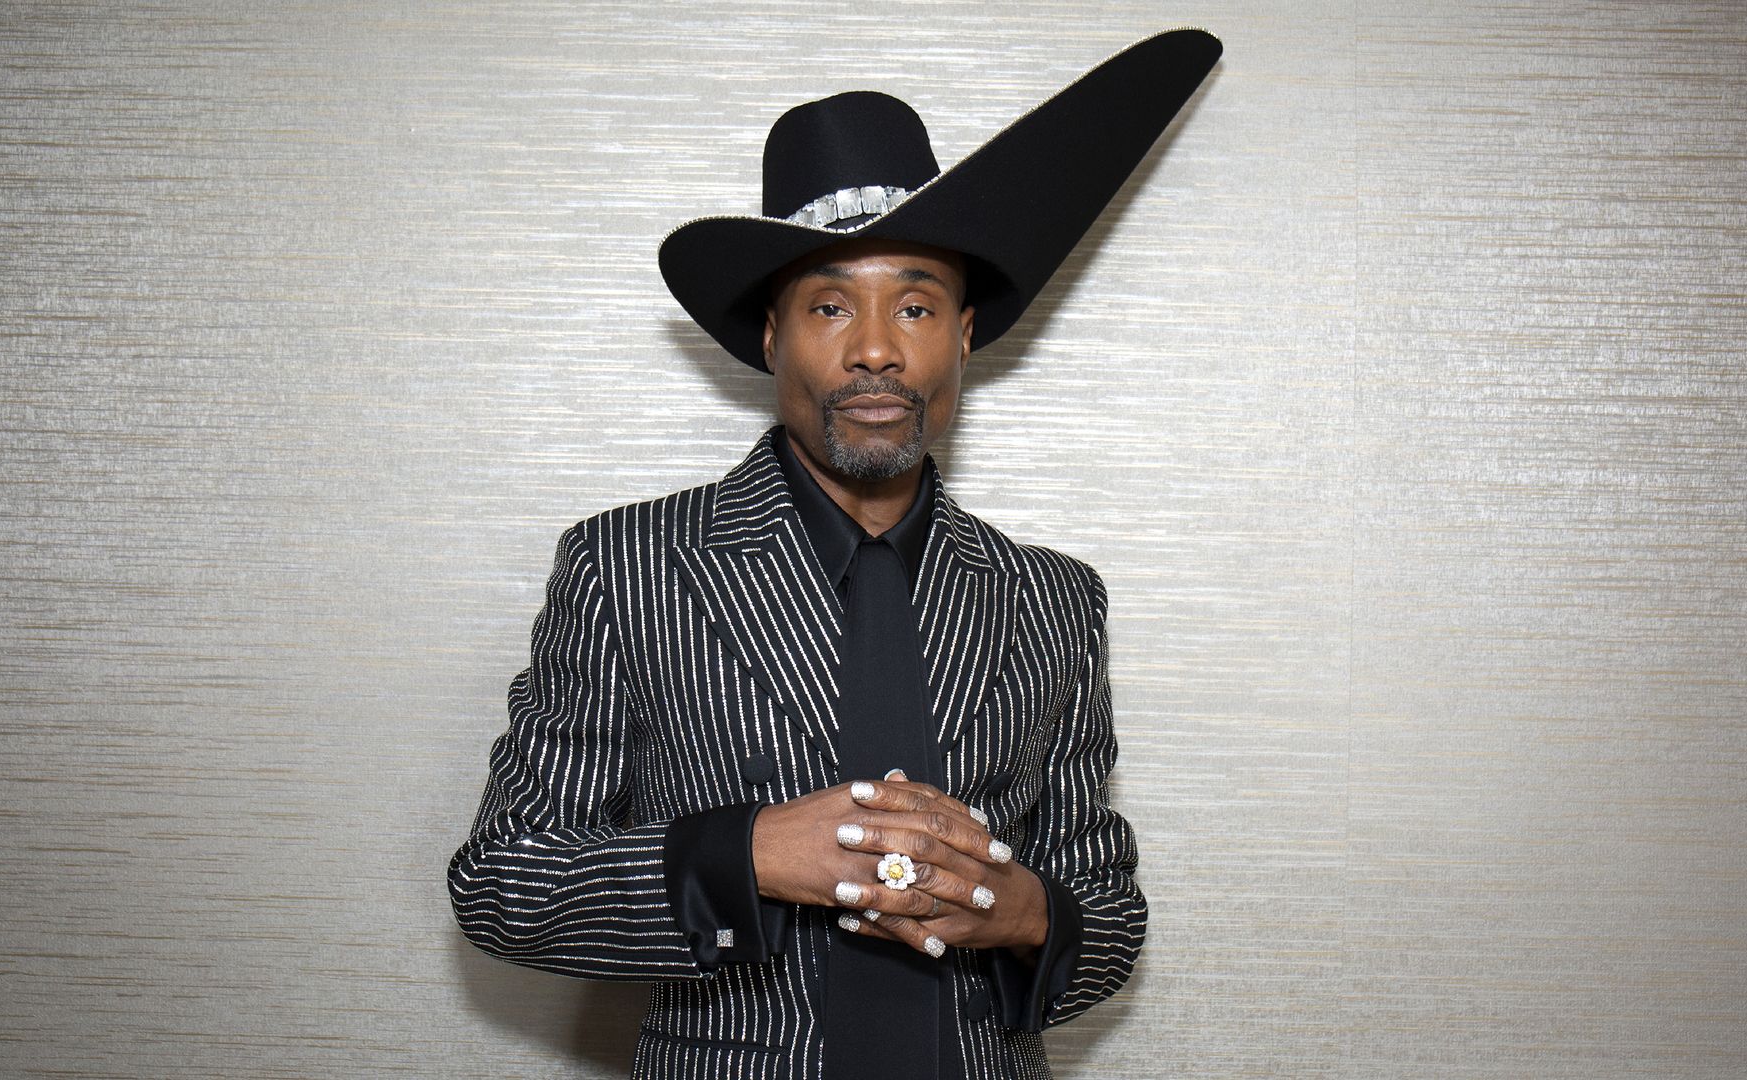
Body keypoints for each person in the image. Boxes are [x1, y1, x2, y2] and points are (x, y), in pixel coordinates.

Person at [448, 28, 1222, 1080]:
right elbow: (506, 885)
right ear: (773, 338)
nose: (873, 346)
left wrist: (1026, 911)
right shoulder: (626, 568)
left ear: (962, 336)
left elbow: (1110, 915)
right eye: (827, 305)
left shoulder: (1054, 600)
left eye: (915, 304)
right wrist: (748, 857)